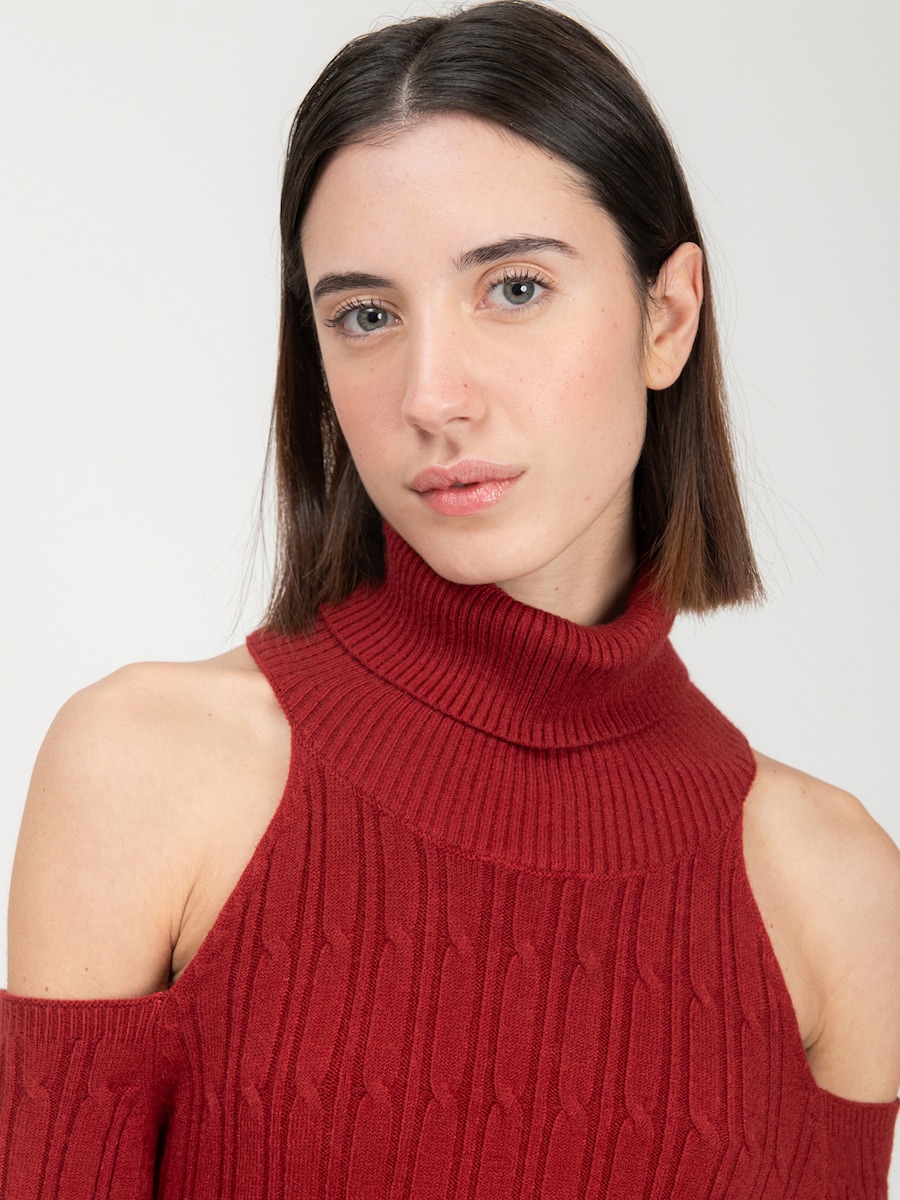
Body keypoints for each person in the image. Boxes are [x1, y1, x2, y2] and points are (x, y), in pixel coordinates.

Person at [2, 1, 899, 1196]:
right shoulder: (149, 771)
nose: (432, 395)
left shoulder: (838, 889)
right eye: (366, 315)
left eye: (514, 289)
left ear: (668, 316)